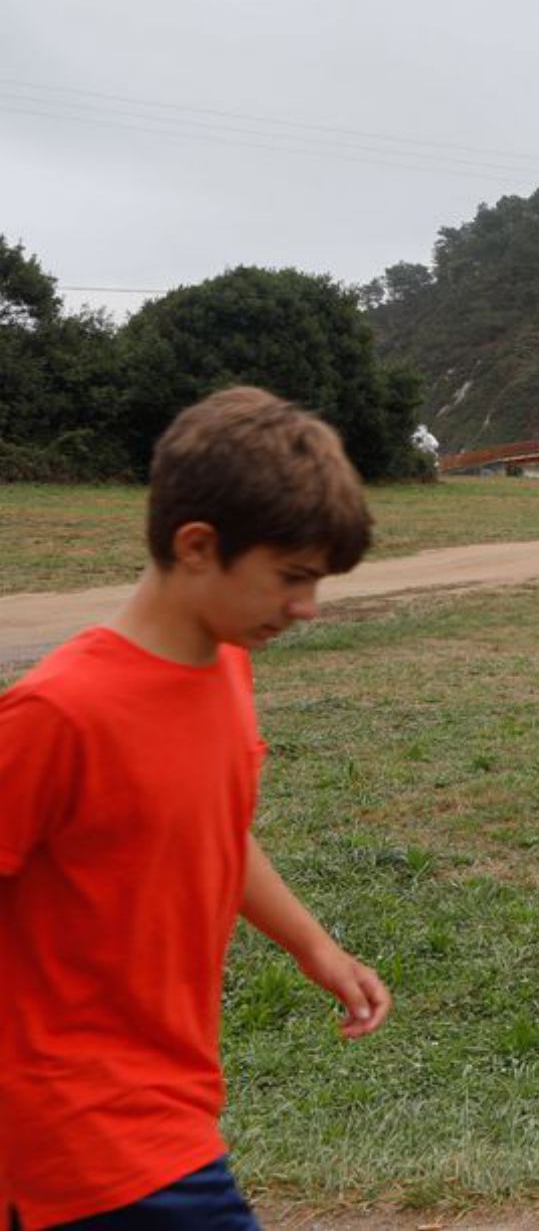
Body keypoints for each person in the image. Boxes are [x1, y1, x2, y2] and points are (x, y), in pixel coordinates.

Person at [0, 387, 394, 1231]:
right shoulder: (60, 713)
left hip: (172, 1098)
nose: (306, 608)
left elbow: (208, 827)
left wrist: (315, 946)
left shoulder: (225, 669)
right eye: (291, 578)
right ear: (197, 545)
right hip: (84, 1132)